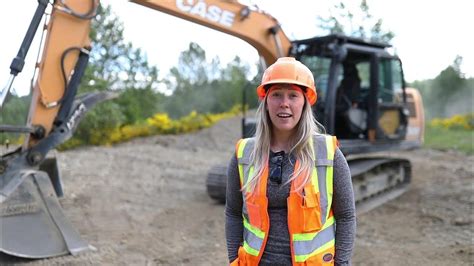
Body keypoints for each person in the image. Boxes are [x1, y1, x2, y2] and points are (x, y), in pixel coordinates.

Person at [225, 57, 356, 265]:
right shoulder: (244, 154)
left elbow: (347, 217)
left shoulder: (328, 154)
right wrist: (233, 258)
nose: (284, 103)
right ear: (266, 102)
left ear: (304, 103)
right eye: (276, 94)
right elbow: (233, 213)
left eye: (293, 95)